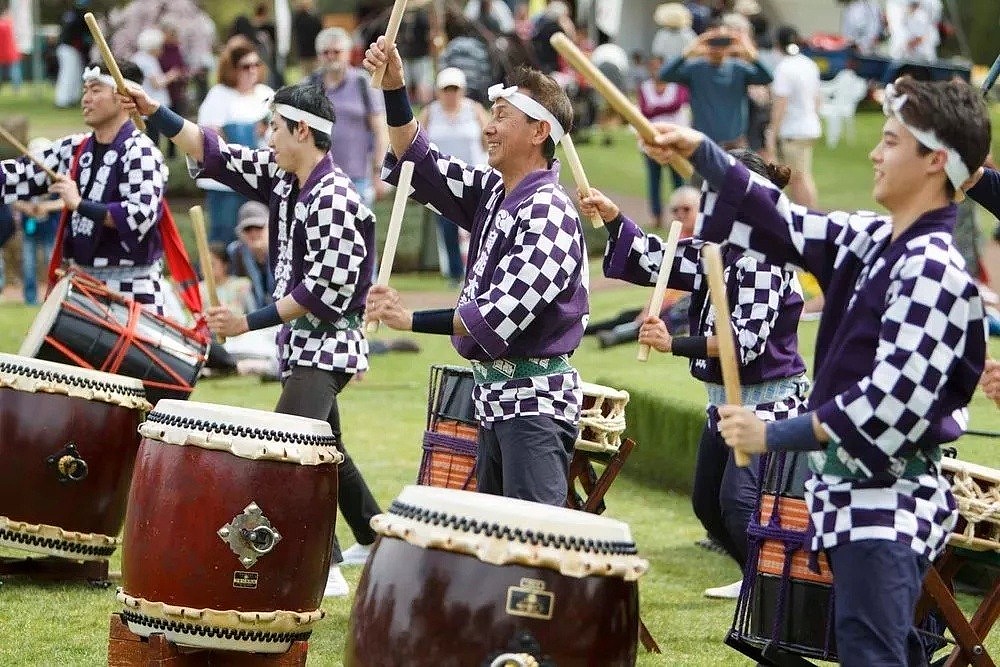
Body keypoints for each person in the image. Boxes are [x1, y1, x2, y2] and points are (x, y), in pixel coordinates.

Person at [644, 76, 987, 662]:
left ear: (935, 161)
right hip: (855, 502)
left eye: (891, 141)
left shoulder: (935, 269)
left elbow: (885, 404)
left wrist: (773, 433)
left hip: (891, 505)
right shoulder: (876, 239)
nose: (875, 154)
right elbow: (784, 221)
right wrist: (702, 153)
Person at [125, 80, 385, 597]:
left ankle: (322, 561)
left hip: (328, 343)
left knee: (291, 445)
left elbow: (323, 291)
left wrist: (248, 323)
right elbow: (217, 153)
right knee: (327, 445)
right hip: (301, 344)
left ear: (303, 131)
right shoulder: (285, 179)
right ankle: (374, 535)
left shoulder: (334, 198)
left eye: (274, 127)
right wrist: (157, 112)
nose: (266, 137)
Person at [362, 38, 588, 506]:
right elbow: (415, 160)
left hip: (535, 406)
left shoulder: (549, 213)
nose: (488, 128)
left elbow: (499, 314)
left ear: (539, 132)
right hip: (495, 402)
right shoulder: (493, 191)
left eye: (502, 117)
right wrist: (394, 88)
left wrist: (411, 320)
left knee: (533, 544)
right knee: (496, 544)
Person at [582, 150, 810, 599]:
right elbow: (655, 259)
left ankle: (781, 594)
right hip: (722, 400)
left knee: (738, 503)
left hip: (767, 403)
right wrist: (613, 219)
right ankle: (761, 581)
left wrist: (674, 343)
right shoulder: (716, 249)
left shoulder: (766, 258)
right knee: (708, 504)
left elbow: (744, 344)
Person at [1, 61, 175, 314]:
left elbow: (138, 217)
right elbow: (19, 175)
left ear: (123, 97)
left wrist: (79, 204)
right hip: (81, 286)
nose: (86, 99)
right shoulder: (73, 148)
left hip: (133, 290)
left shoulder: (142, 153)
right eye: (85, 91)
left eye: (95, 91)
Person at [197, 38, 273, 245]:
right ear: (232, 69)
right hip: (225, 185)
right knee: (225, 238)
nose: (252, 70)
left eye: (256, 65)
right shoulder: (218, 96)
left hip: (258, 180)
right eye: (245, 66)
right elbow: (211, 138)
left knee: (259, 240)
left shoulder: (266, 94)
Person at [418, 67, 490, 287]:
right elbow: (419, 143)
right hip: (443, 181)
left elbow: (489, 139)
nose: (451, 94)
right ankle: (455, 274)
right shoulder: (430, 112)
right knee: (448, 228)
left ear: (462, 90)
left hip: (476, 178)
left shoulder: (474, 110)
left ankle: (482, 271)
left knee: (480, 227)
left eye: (455, 89)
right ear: (439, 91)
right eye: (446, 89)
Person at [307, 27, 389, 212]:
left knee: (358, 235)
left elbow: (380, 131)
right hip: (317, 176)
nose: (331, 56)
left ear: (348, 53)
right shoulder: (308, 85)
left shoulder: (362, 83)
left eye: (336, 51)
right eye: (325, 52)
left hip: (358, 176)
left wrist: (378, 172)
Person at [659, 22, 773, 150]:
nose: (717, 47)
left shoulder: (739, 68)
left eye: (723, 42)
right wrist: (688, 52)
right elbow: (664, 75)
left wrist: (749, 52)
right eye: (713, 42)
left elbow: (767, 77)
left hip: (735, 142)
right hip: (703, 141)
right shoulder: (695, 69)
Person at [766, 26, 821, 208]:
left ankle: (809, 216)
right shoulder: (808, 64)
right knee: (801, 175)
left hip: (793, 130)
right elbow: (817, 98)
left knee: (798, 178)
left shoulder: (784, 68)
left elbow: (780, 103)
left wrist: (772, 131)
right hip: (809, 126)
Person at [638, 55, 690, 226]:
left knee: (678, 180)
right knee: (654, 180)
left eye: (659, 66)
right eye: (652, 67)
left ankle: (683, 215)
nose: (656, 71)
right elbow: (645, 110)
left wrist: (656, 109)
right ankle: (656, 215)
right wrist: (657, 109)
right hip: (652, 141)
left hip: (676, 141)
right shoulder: (645, 87)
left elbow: (677, 103)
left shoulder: (677, 86)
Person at [132, 28, 181, 152]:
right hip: (151, 102)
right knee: (153, 136)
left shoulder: (137, 58)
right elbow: (157, 84)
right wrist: (172, 75)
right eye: (160, 47)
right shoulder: (148, 60)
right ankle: (153, 157)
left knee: (146, 133)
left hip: (142, 102)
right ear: (153, 47)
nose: (161, 50)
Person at [228, 200, 275, 311]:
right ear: (240, 233)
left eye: (258, 227)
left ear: (270, 227)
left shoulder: (283, 250)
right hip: (249, 317)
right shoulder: (234, 253)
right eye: (247, 229)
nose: (253, 233)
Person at [54, 0, 91, 108]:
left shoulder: (71, 14)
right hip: (68, 47)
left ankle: (71, 98)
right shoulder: (77, 15)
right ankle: (62, 100)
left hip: (69, 48)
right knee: (68, 73)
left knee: (75, 73)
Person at [291, 0, 323, 78]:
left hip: (306, 53)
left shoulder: (298, 18)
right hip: (311, 53)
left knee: (307, 77)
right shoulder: (311, 18)